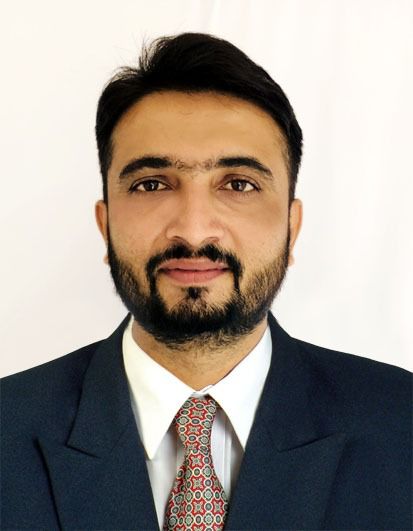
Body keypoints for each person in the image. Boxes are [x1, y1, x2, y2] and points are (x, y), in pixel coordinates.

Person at [1, 32, 411, 531]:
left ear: (292, 226)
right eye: (152, 184)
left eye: (239, 184)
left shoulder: (402, 427)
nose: (194, 231)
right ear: (105, 225)